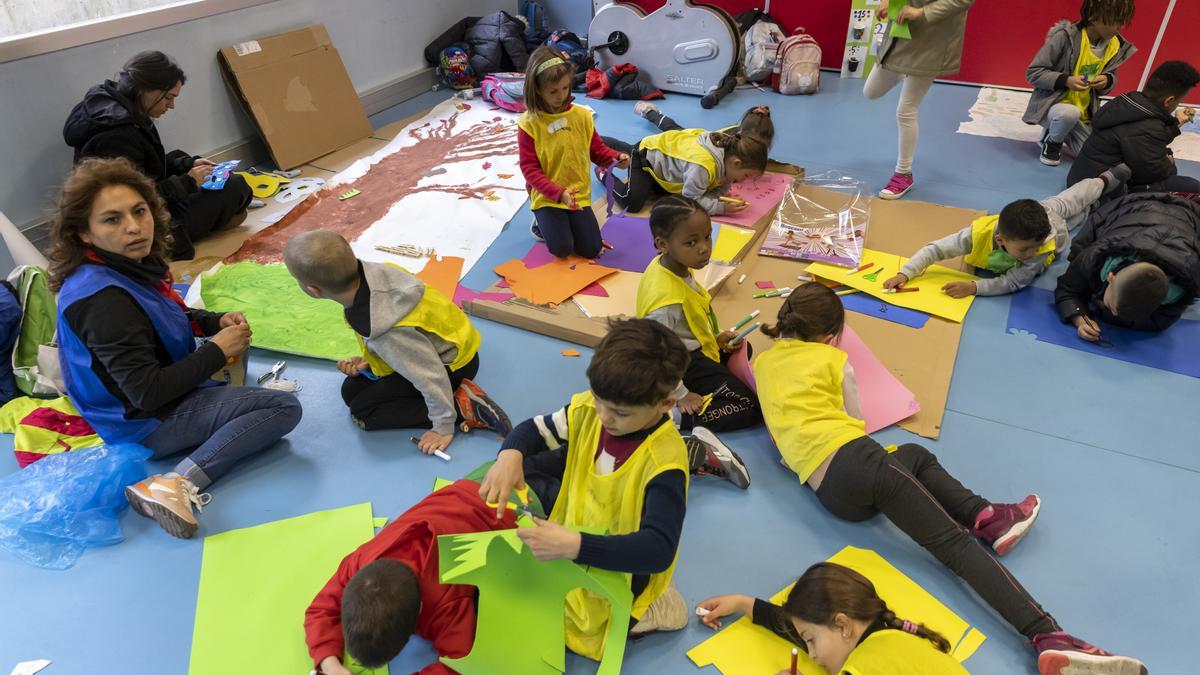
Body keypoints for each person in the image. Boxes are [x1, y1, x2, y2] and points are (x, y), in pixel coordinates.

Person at [752, 282, 1147, 674]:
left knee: (914, 456)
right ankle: (1046, 634)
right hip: (858, 462)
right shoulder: (831, 359)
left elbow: (779, 431)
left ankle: (988, 517)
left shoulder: (763, 363)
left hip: (829, 492)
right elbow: (856, 421)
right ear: (828, 336)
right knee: (955, 548)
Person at [48, 157, 301, 538]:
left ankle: (211, 418)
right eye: (112, 219)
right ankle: (174, 482)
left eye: (139, 211)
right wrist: (215, 349)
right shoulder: (104, 301)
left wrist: (213, 322)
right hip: (143, 423)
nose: (134, 227)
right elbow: (147, 394)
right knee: (280, 407)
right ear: (84, 233)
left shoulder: (126, 264)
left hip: (152, 398)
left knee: (238, 364)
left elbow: (166, 310)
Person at [477, 319, 745, 659]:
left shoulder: (664, 465)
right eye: (599, 401)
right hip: (585, 522)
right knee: (524, 467)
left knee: (588, 637)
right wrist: (509, 455)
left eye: (619, 412)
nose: (603, 415)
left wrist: (574, 545)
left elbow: (659, 550)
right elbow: (535, 428)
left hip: (624, 561)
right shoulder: (594, 408)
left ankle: (660, 607)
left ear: (665, 404)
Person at [283, 231, 510, 455]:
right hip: (448, 343)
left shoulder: (388, 331)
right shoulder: (374, 273)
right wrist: (372, 361)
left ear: (313, 289)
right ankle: (455, 400)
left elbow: (429, 375)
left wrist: (443, 427)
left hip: (452, 365)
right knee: (351, 389)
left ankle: (465, 408)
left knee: (364, 411)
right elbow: (409, 342)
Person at [305, 478, 522, 675]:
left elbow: (460, 664)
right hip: (461, 489)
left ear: (419, 609)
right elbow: (321, 608)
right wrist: (329, 664)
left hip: (509, 508)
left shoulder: (445, 602)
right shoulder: (361, 561)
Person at [63, 51, 254, 260]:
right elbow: (135, 199)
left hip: (141, 206)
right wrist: (188, 182)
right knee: (236, 187)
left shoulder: (116, 107)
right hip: (142, 223)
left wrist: (188, 164)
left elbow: (144, 168)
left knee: (187, 161)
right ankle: (169, 244)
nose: (171, 106)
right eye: (169, 97)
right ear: (147, 90)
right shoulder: (117, 133)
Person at [883, 165, 1130, 297]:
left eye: (1035, 247)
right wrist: (906, 273)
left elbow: (1014, 282)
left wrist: (975, 287)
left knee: (1072, 199)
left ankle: (1103, 181)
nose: (1031, 253)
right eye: (1024, 249)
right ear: (1000, 239)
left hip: (1048, 219)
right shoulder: (976, 235)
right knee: (1081, 215)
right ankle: (1097, 204)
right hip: (1052, 224)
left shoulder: (1038, 248)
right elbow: (936, 249)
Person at [637, 196, 762, 439]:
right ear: (663, 244)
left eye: (707, 236)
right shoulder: (666, 302)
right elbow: (655, 354)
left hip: (688, 350)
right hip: (675, 364)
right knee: (748, 406)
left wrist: (715, 339)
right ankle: (676, 417)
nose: (704, 247)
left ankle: (710, 379)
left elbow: (689, 321)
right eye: (691, 242)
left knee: (742, 350)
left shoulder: (671, 265)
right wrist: (681, 393)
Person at [698, 563, 967, 674]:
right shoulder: (894, 635)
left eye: (812, 641)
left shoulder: (866, 662)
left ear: (842, 624)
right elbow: (800, 629)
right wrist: (746, 604)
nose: (811, 654)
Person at [519, 46, 629, 255]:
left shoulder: (581, 116)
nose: (561, 96)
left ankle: (564, 224)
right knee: (562, 249)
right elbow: (529, 169)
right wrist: (558, 194)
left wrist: (615, 158)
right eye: (553, 91)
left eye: (565, 88)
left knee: (591, 249)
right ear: (537, 90)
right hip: (548, 195)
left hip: (577, 192)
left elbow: (596, 150)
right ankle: (540, 219)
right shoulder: (529, 123)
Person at [864, 0, 976, 199]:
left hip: (933, 40)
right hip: (900, 31)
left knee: (906, 110)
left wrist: (922, 13)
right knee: (870, 92)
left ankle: (903, 174)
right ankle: (906, 73)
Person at [1055, 191, 1200, 341]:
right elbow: (1068, 288)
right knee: (1079, 251)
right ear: (1110, 276)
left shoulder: (1182, 288)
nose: (1114, 314)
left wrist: (1100, 307)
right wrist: (1080, 319)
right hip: (1130, 205)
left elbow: (1158, 322)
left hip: (1193, 219)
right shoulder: (1095, 256)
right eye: (1111, 307)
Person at [1023, 0, 1137, 166]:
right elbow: (1034, 73)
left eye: (1123, 22)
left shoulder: (1113, 45)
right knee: (1068, 113)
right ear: (1093, 17)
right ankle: (1052, 142)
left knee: (1095, 158)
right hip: (1054, 107)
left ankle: (1059, 131)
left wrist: (1107, 80)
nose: (1120, 27)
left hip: (1085, 115)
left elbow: (1111, 77)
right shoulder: (1064, 37)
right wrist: (1066, 81)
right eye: (1115, 21)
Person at [1068, 60, 1200, 193]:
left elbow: (1148, 138)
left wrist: (1177, 121)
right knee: (1191, 186)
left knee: (1166, 160)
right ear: (1169, 100)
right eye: (1179, 102)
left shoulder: (1128, 103)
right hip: (1096, 193)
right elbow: (1152, 172)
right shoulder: (1147, 127)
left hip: (1081, 178)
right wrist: (1168, 163)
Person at [601, 128, 767, 215]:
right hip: (646, 159)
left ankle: (607, 145)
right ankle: (603, 173)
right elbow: (691, 199)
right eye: (746, 176)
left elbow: (718, 189)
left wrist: (715, 201)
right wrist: (720, 208)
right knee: (633, 203)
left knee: (667, 198)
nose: (744, 181)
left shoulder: (729, 157)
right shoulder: (702, 166)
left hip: (665, 161)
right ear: (736, 163)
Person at [631, 104, 776, 149]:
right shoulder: (734, 140)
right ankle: (649, 112)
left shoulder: (756, 144)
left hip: (704, 138)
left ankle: (651, 112)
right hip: (697, 141)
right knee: (673, 130)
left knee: (674, 128)